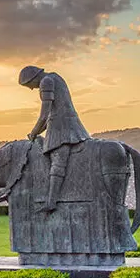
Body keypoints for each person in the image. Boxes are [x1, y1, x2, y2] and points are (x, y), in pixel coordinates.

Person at [19, 65, 90, 213]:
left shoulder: (46, 82)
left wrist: (33, 132)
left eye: (29, 85)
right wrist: (38, 130)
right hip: (62, 123)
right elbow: (51, 115)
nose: (31, 89)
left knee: (58, 161)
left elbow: (44, 115)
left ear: (32, 78)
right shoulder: (55, 77)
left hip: (62, 127)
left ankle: (51, 201)